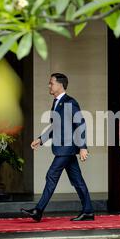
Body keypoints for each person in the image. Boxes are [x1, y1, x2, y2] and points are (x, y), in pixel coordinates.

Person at [21, 73, 94, 222]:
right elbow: (56, 127)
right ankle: (88, 211)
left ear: (60, 85)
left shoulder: (70, 102)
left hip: (66, 148)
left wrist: (83, 147)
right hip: (63, 149)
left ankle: (38, 210)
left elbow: (80, 124)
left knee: (51, 175)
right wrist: (41, 139)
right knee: (77, 180)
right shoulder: (57, 102)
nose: (49, 86)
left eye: (51, 83)